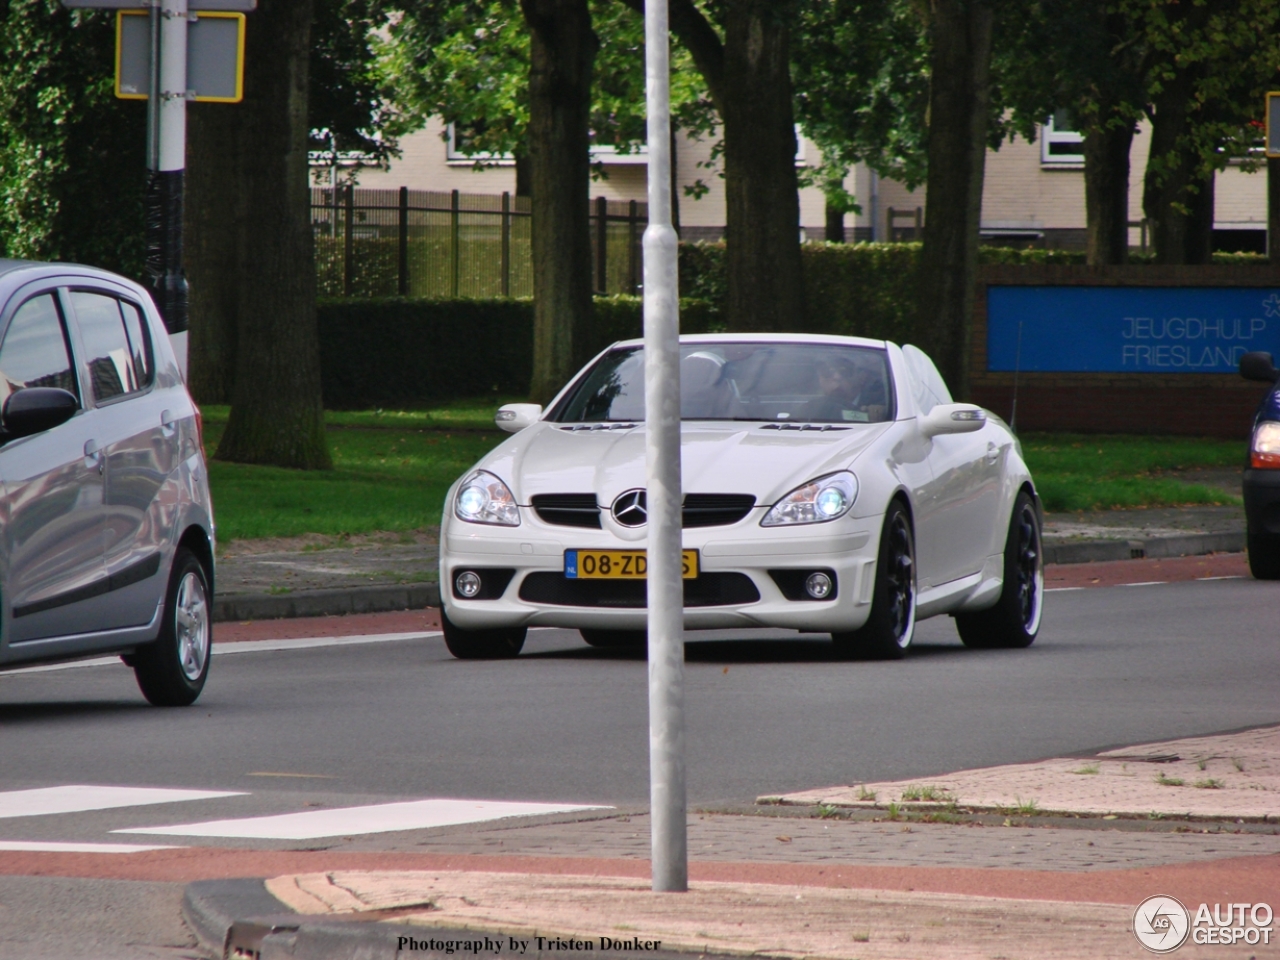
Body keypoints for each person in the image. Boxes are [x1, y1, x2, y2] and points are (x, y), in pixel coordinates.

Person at [808, 355, 887, 422]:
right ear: (819, 380)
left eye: (845, 371)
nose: (837, 377)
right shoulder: (810, 409)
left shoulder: (886, 406)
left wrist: (879, 414)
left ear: (862, 377)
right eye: (827, 373)